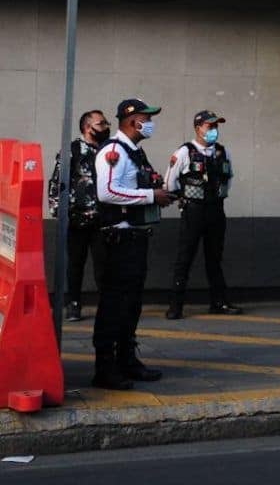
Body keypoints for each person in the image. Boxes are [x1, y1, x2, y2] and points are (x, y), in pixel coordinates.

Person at [93, 98, 175, 390]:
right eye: (146, 117)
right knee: (113, 305)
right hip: (117, 240)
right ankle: (105, 368)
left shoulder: (136, 153)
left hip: (135, 238)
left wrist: (158, 194)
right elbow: (108, 192)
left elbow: (137, 187)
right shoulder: (114, 152)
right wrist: (152, 197)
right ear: (130, 120)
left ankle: (127, 360)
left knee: (132, 304)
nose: (150, 122)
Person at [163, 110, 242, 319]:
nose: (214, 130)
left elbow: (229, 178)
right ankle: (175, 306)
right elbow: (170, 182)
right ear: (198, 128)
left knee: (215, 258)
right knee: (184, 258)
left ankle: (219, 302)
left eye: (216, 126)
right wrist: (182, 199)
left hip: (216, 210)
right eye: (210, 126)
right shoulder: (184, 152)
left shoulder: (223, 152)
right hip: (193, 211)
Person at [48, 110, 111, 321]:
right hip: (77, 218)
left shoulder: (109, 150)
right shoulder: (73, 150)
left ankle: (107, 305)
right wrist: (58, 212)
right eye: (101, 124)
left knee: (104, 265)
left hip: (103, 218)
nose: (105, 127)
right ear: (87, 127)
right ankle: (73, 304)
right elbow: (57, 181)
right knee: (75, 265)